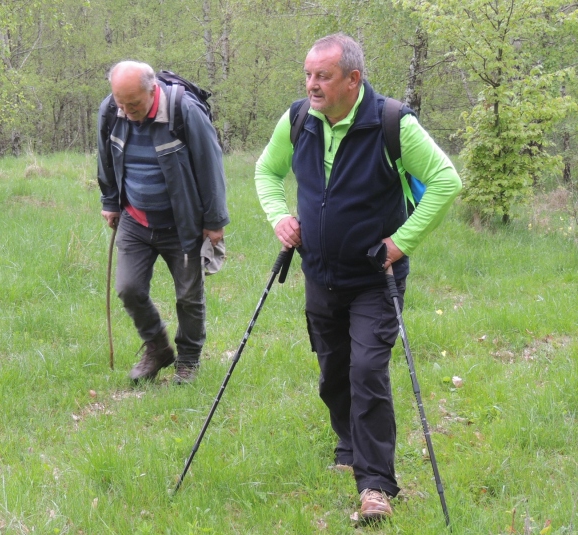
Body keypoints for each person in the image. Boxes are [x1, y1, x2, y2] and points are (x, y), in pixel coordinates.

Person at [254, 34, 461, 520]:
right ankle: (348, 444)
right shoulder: (299, 120)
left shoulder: (392, 124)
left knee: (367, 370)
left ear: (353, 79)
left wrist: (401, 242)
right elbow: (266, 171)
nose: (312, 85)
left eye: (322, 76)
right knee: (333, 372)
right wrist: (279, 217)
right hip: (319, 273)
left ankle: (375, 487)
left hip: (374, 276)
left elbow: (446, 181)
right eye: (307, 74)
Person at [97, 61, 229, 385]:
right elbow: (105, 155)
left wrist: (213, 221)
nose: (126, 112)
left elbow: (210, 166)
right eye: (121, 104)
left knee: (188, 296)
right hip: (135, 219)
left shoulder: (184, 111)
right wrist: (110, 201)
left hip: (182, 223)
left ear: (152, 89)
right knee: (128, 289)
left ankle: (188, 360)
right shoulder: (111, 111)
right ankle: (157, 348)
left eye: (134, 105)